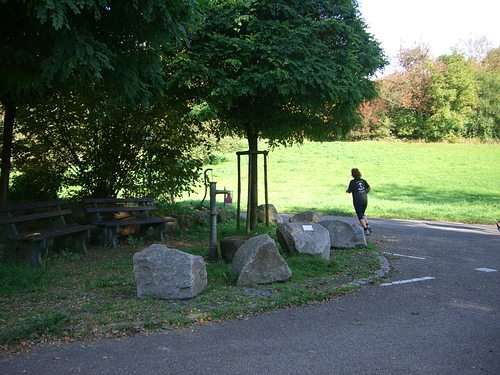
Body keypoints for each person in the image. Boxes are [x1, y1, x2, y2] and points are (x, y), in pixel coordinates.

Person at [346, 168, 371, 235]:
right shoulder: (363, 181)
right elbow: (369, 188)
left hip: (357, 200)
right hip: (364, 199)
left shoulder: (352, 182)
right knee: (363, 213)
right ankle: (367, 225)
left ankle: (366, 229)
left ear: (352, 174)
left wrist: (347, 191)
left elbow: (349, 190)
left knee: (360, 216)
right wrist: (365, 193)